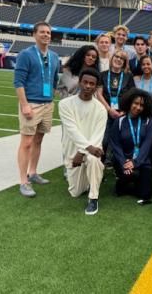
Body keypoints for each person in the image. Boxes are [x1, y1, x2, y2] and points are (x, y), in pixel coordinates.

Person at [14, 21, 59, 197]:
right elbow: (18, 82)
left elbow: (55, 79)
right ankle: (23, 181)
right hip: (31, 103)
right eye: (42, 32)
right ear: (34, 34)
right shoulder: (26, 54)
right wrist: (25, 104)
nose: (46, 35)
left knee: (38, 140)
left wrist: (51, 97)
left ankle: (33, 172)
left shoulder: (54, 56)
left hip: (47, 103)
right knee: (26, 143)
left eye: (48, 32)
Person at [59, 68, 107, 215]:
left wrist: (83, 151)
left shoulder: (100, 109)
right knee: (75, 192)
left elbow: (97, 137)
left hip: (90, 152)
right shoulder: (65, 104)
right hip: (73, 154)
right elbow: (72, 130)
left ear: (96, 86)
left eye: (92, 84)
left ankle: (93, 198)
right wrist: (83, 150)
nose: (88, 86)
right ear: (79, 82)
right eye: (85, 82)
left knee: (94, 159)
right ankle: (94, 177)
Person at [109, 88, 152, 204]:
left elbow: (147, 144)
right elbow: (115, 144)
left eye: (142, 105)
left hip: (142, 160)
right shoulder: (119, 121)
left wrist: (135, 162)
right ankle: (123, 182)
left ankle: (134, 179)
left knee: (146, 194)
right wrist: (124, 162)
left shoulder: (149, 120)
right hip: (123, 160)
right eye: (136, 103)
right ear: (130, 102)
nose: (138, 107)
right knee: (127, 180)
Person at [97, 50, 135, 154]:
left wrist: (124, 111)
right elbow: (99, 94)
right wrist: (109, 109)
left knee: (121, 140)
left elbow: (132, 95)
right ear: (112, 58)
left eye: (122, 58)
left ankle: (115, 163)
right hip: (105, 112)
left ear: (125, 62)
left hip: (122, 113)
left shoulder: (128, 76)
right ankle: (101, 161)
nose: (118, 59)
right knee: (104, 140)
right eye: (116, 57)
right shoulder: (103, 74)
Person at [134, 55, 152, 165]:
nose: (146, 66)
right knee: (138, 135)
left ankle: (149, 160)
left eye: (148, 64)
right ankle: (137, 158)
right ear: (140, 66)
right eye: (143, 64)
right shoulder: (135, 79)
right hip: (138, 110)